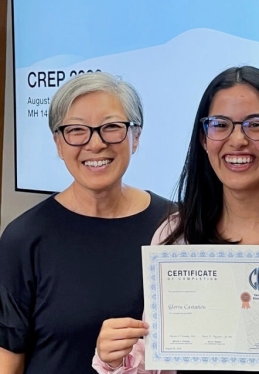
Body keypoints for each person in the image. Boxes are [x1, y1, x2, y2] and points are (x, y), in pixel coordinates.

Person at [93, 66, 259, 374]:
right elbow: (156, 362)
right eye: (220, 125)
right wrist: (113, 358)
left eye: (255, 125)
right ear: (204, 139)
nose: (238, 140)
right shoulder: (176, 236)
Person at [0, 72, 172, 374]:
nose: (95, 143)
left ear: (136, 137)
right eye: (77, 130)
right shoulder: (24, 238)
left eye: (112, 128)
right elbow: (8, 358)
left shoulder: (174, 227)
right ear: (58, 143)